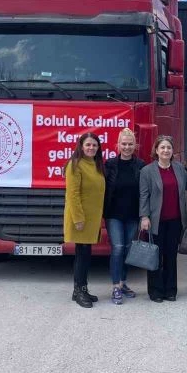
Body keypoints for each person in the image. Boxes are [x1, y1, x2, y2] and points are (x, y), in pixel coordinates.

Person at [139, 135, 187, 302]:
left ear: (172, 151)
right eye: (162, 147)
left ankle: (170, 290)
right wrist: (144, 216)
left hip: (175, 220)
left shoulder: (179, 168)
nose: (166, 150)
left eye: (169, 147)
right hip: (155, 221)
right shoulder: (147, 171)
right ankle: (155, 291)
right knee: (155, 256)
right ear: (156, 150)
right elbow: (144, 196)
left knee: (171, 256)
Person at [63, 132, 106, 308]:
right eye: (88, 144)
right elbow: (72, 194)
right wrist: (78, 219)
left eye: (94, 145)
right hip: (81, 219)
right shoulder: (75, 165)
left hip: (92, 219)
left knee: (86, 255)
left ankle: (82, 289)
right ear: (81, 146)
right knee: (81, 255)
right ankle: (79, 291)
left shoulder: (96, 164)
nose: (91, 148)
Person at [103, 128, 145, 305]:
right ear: (118, 145)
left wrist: (144, 215)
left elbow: (144, 192)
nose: (127, 147)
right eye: (124, 144)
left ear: (135, 146)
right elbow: (102, 188)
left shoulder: (141, 165)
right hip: (113, 214)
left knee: (127, 249)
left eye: (130, 144)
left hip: (133, 215)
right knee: (118, 248)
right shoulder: (110, 165)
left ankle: (123, 282)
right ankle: (116, 287)